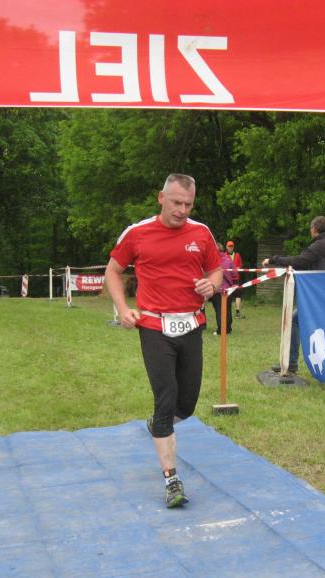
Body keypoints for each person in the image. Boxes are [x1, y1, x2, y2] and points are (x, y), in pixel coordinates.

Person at [105, 173, 222, 508]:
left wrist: (212, 285)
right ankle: (172, 479)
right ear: (161, 198)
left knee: (187, 404)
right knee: (166, 398)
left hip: (192, 324)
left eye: (188, 204)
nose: (182, 210)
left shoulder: (201, 233)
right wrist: (123, 309)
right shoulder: (137, 233)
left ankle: (159, 424)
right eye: (176, 203)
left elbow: (216, 271)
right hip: (155, 326)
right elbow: (113, 271)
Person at [262, 216, 325, 373]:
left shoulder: (318, 247)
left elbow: (298, 261)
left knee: (293, 321)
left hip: (320, 299)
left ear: (314, 229)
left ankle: (291, 362)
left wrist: (273, 260)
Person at [210, 242, 236, 335]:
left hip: (217, 290)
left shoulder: (212, 261)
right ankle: (228, 329)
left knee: (219, 310)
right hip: (228, 289)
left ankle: (221, 330)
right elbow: (235, 274)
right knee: (228, 309)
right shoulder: (228, 260)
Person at [226, 240, 245, 318]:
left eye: (231, 246)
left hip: (236, 278)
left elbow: (240, 265)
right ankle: (227, 312)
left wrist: (238, 268)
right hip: (227, 279)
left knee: (238, 294)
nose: (230, 248)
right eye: (229, 246)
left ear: (233, 247)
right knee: (227, 295)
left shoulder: (237, 255)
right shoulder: (224, 255)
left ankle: (237, 312)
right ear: (226, 247)